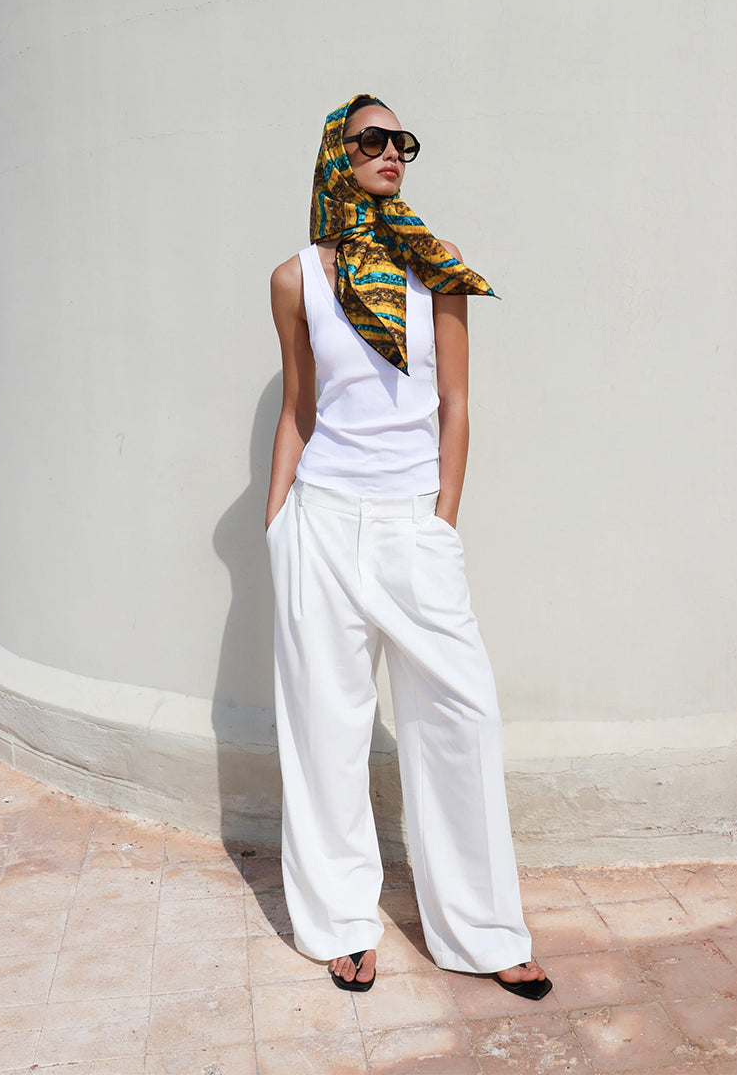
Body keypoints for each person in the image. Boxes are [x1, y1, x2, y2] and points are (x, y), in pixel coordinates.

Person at [265, 93, 551, 999]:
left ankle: (481, 930)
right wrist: (277, 525)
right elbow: (300, 408)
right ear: (336, 155)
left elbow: (456, 404)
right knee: (325, 729)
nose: (392, 152)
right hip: (320, 521)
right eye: (372, 140)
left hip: (412, 524)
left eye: (403, 142)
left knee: (460, 719)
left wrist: (441, 518)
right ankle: (340, 923)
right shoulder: (295, 278)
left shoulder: (436, 263)